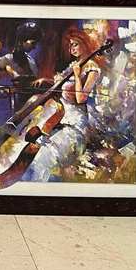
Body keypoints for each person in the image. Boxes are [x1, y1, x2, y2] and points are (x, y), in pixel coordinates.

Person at [23, 27, 102, 182]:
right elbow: (61, 83)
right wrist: (46, 80)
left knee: (46, 154)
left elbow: (81, 99)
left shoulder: (92, 68)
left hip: (75, 121)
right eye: (70, 45)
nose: (72, 48)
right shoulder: (74, 64)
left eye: (75, 44)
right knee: (31, 135)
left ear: (84, 44)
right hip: (59, 113)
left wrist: (77, 76)